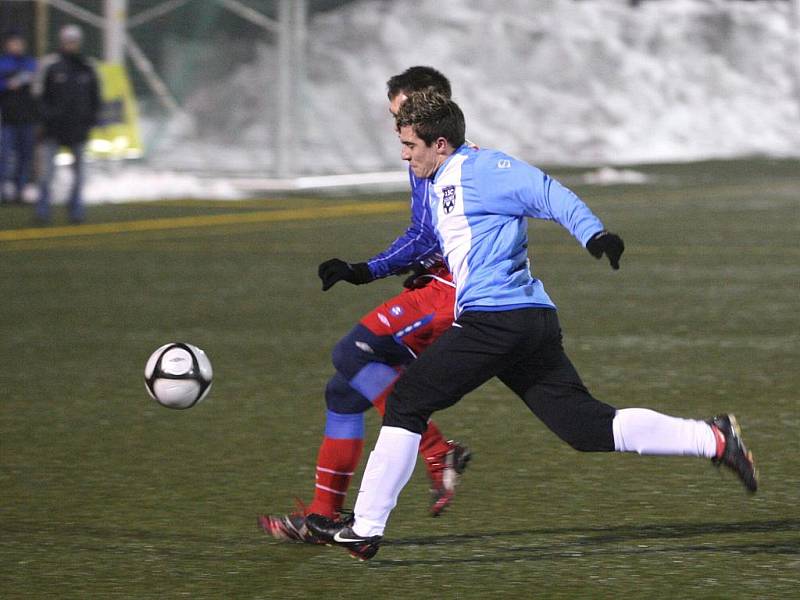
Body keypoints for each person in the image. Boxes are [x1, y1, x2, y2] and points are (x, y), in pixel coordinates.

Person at [306, 90, 758, 560]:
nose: (404, 154)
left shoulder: (482, 169)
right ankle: (715, 438)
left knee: (405, 401)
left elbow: (547, 192)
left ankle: (365, 527)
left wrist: (594, 234)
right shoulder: (441, 180)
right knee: (585, 428)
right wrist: (363, 271)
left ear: (440, 144)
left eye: (411, 145)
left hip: (497, 321)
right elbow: (425, 238)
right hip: (525, 323)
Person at [258, 68, 472, 544]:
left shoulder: (450, 162)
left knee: (353, 351)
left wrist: (364, 269)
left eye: (401, 115)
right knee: (345, 393)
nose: (396, 129)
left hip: (452, 290)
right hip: (437, 282)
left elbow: (426, 234)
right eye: (393, 117)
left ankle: (438, 451)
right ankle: (323, 516)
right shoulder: (426, 154)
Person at [34, 24, 100, 224]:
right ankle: (43, 211)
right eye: (67, 41)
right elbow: (40, 97)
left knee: (79, 175)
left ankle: (76, 211)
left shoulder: (87, 67)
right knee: (47, 174)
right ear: (62, 42)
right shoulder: (51, 66)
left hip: (78, 129)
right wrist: (47, 118)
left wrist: (89, 122)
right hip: (53, 130)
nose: (70, 45)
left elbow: (95, 98)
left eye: (73, 41)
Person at [0, 30, 37, 205]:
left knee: (25, 156)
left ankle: (20, 191)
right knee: (5, 156)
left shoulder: (29, 62)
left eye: (19, 42)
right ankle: (3, 191)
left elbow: (33, 77)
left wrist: (20, 80)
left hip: (27, 119)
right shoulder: (3, 63)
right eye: (14, 43)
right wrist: (7, 84)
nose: (17, 46)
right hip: (7, 120)